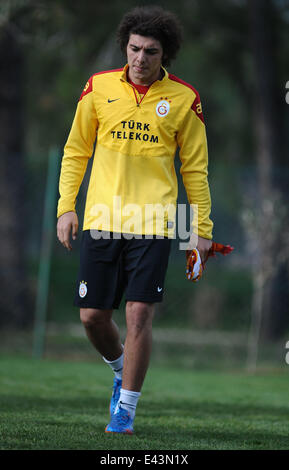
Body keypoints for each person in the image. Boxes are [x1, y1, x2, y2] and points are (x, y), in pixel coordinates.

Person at [56, 5, 213, 434]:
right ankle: (120, 368)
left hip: (155, 222)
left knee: (139, 313)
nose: (140, 59)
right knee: (92, 316)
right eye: (134, 48)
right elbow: (75, 152)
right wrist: (66, 206)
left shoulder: (185, 98)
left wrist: (202, 231)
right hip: (101, 217)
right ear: (125, 46)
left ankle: (125, 410)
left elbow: (194, 170)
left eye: (151, 52)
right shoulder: (98, 87)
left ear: (166, 56)